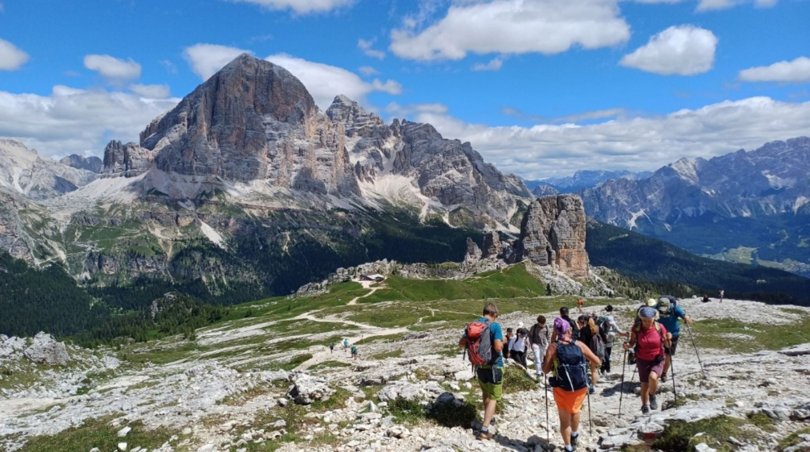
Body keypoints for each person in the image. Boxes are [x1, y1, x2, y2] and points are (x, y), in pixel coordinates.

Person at [543, 317, 601, 452]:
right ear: (569, 330)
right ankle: (575, 434)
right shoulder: (579, 345)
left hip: (561, 388)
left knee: (564, 419)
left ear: (556, 332)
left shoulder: (553, 347)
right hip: (580, 387)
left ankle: (568, 447)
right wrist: (588, 368)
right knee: (575, 410)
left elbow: (545, 370)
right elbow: (597, 361)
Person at [458, 302, 504, 441]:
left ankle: (487, 419)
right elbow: (498, 348)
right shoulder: (494, 325)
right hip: (494, 365)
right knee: (494, 397)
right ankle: (484, 430)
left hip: (479, 366)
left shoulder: (473, 325)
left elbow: (461, 343)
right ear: (493, 314)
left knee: (486, 393)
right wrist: (504, 341)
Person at [624, 307, 671, 414]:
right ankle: (644, 406)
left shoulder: (660, 327)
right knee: (644, 384)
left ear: (654, 318)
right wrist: (628, 345)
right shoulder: (636, 328)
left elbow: (667, 345)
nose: (646, 323)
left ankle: (652, 395)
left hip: (657, 358)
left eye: (649, 320)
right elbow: (632, 342)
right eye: (644, 320)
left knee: (653, 377)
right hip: (642, 359)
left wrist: (668, 338)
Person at [655, 297, 692, 383]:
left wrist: (686, 318)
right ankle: (657, 371)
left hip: (673, 334)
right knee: (658, 353)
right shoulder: (655, 308)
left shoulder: (675, 308)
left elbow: (685, 316)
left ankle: (664, 373)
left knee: (668, 354)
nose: (662, 310)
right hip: (658, 334)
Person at [598, 305, 626, 375]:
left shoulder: (613, 325)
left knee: (608, 356)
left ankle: (604, 369)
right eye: (609, 323)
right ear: (606, 321)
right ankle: (606, 369)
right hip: (602, 343)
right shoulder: (601, 326)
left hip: (610, 343)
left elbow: (619, 332)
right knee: (606, 357)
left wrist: (626, 334)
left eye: (611, 323)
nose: (610, 325)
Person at [577, 315, 600, 391]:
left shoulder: (583, 330)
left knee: (584, 370)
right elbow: (604, 339)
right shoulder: (597, 328)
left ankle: (585, 386)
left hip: (586, 352)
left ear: (585, 322)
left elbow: (582, 342)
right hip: (595, 351)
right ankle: (593, 386)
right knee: (594, 370)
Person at [529, 315, 550, 381]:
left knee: (541, 359)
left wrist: (548, 344)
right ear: (538, 322)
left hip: (543, 345)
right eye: (541, 323)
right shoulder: (534, 327)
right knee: (537, 358)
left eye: (543, 323)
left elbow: (548, 336)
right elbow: (530, 336)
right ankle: (538, 373)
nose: (542, 325)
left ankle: (540, 371)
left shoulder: (546, 327)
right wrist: (531, 344)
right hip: (535, 344)